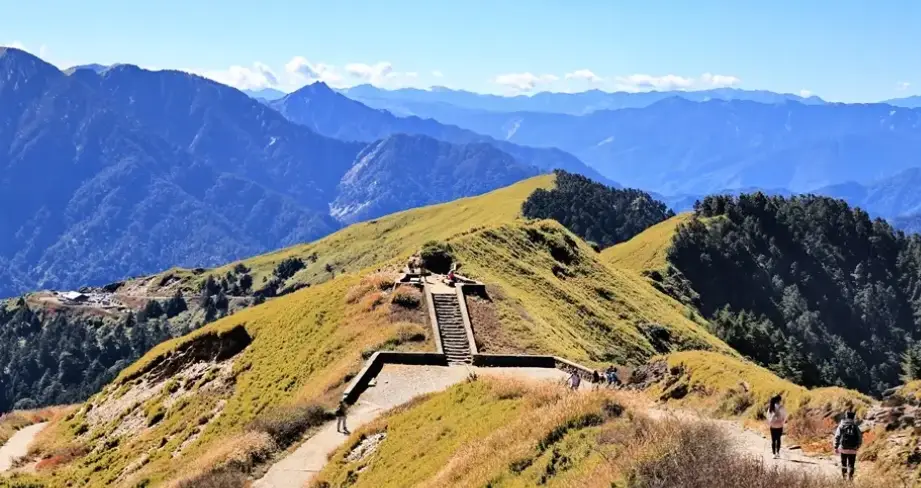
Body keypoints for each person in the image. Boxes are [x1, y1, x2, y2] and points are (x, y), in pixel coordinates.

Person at [834, 411, 862, 481]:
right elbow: (860, 437)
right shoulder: (855, 426)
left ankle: (844, 479)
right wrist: (857, 446)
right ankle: (850, 480)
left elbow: (837, 436)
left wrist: (836, 446)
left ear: (846, 416)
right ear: (853, 417)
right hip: (853, 449)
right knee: (851, 465)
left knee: (844, 464)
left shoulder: (842, 425)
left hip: (843, 448)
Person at [766, 394, 787, 459]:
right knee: (778, 439)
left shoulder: (771, 407)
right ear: (779, 400)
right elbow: (784, 416)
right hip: (779, 425)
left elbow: (768, 416)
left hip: (772, 426)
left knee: (773, 440)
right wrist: (782, 423)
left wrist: (770, 423)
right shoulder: (781, 407)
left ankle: (773, 454)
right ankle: (778, 452)